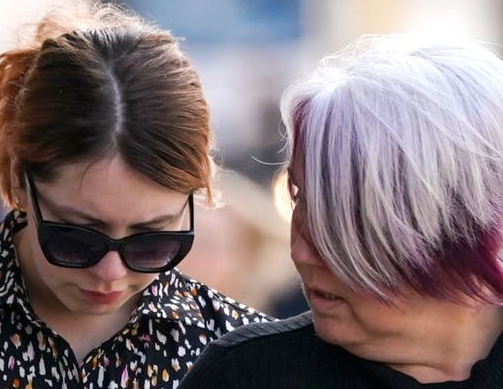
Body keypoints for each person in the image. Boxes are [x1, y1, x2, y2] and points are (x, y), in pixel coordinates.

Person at [0, 2, 272, 389]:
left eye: (152, 240)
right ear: (20, 181)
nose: (111, 274)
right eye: (77, 238)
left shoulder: (240, 353)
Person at [179, 34, 503, 388]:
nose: (301, 251)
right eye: (300, 198)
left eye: (344, 221)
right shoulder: (247, 375)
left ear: (461, 223)